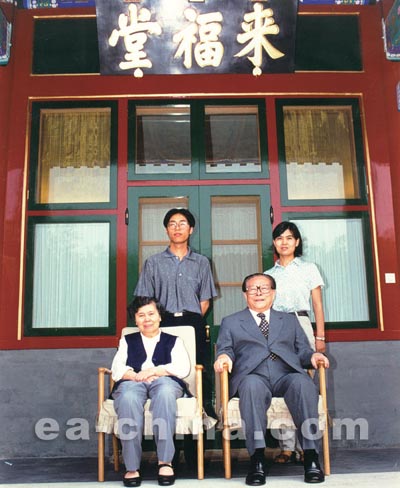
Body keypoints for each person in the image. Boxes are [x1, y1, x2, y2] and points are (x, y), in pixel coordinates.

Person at [214, 273, 329, 485]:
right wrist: (223, 357)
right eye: (253, 288)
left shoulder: (289, 320)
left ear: (273, 293)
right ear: (245, 294)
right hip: (253, 375)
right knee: (250, 387)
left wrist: (313, 356)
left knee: (303, 384)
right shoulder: (231, 321)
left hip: (286, 374)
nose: (258, 293)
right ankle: (257, 459)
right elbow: (225, 348)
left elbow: (303, 351)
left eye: (264, 288)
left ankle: (311, 457)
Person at [110, 296, 191, 487]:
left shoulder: (174, 341)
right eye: (141, 315)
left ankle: (165, 462)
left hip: (164, 380)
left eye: (151, 314)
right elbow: (117, 369)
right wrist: (135, 375)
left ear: (160, 316)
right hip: (133, 381)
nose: (147, 319)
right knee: (128, 398)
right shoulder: (127, 340)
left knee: (164, 395)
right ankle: (132, 467)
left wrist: (154, 371)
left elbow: (182, 368)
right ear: (135, 319)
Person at [265, 221, 326, 464]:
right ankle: (286, 447)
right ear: (274, 242)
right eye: (280, 238)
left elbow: (318, 305)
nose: (284, 242)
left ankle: (305, 446)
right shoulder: (268, 275)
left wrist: (320, 337)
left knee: (304, 384)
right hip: (277, 327)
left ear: (297, 242)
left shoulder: (309, 269)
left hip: (301, 323)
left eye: (289, 238)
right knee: (282, 380)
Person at [134, 207, 217, 365]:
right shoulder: (153, 262)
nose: (177, 228)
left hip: (193, 323)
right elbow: (144, 299)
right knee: (162, 368)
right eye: (172, 224)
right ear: (166, 230)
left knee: (197, 368)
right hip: (162, 322)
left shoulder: (201, 262)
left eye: (182, 224)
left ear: (191, 230)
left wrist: (192, 317)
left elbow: (205, 300)